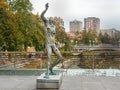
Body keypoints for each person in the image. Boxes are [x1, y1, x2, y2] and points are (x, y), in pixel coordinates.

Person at [41, 3, 62, 78]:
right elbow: (42, 16)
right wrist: (46, 9)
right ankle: (47, 73)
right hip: (48, 44)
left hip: (53, 44)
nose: (51, 20)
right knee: (49, 57)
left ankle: (51, 68)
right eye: (50, 19)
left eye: (52, 20)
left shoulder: (54, 27)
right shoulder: (46, 23)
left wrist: (57, 43)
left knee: (60, 58)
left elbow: (54, 36)